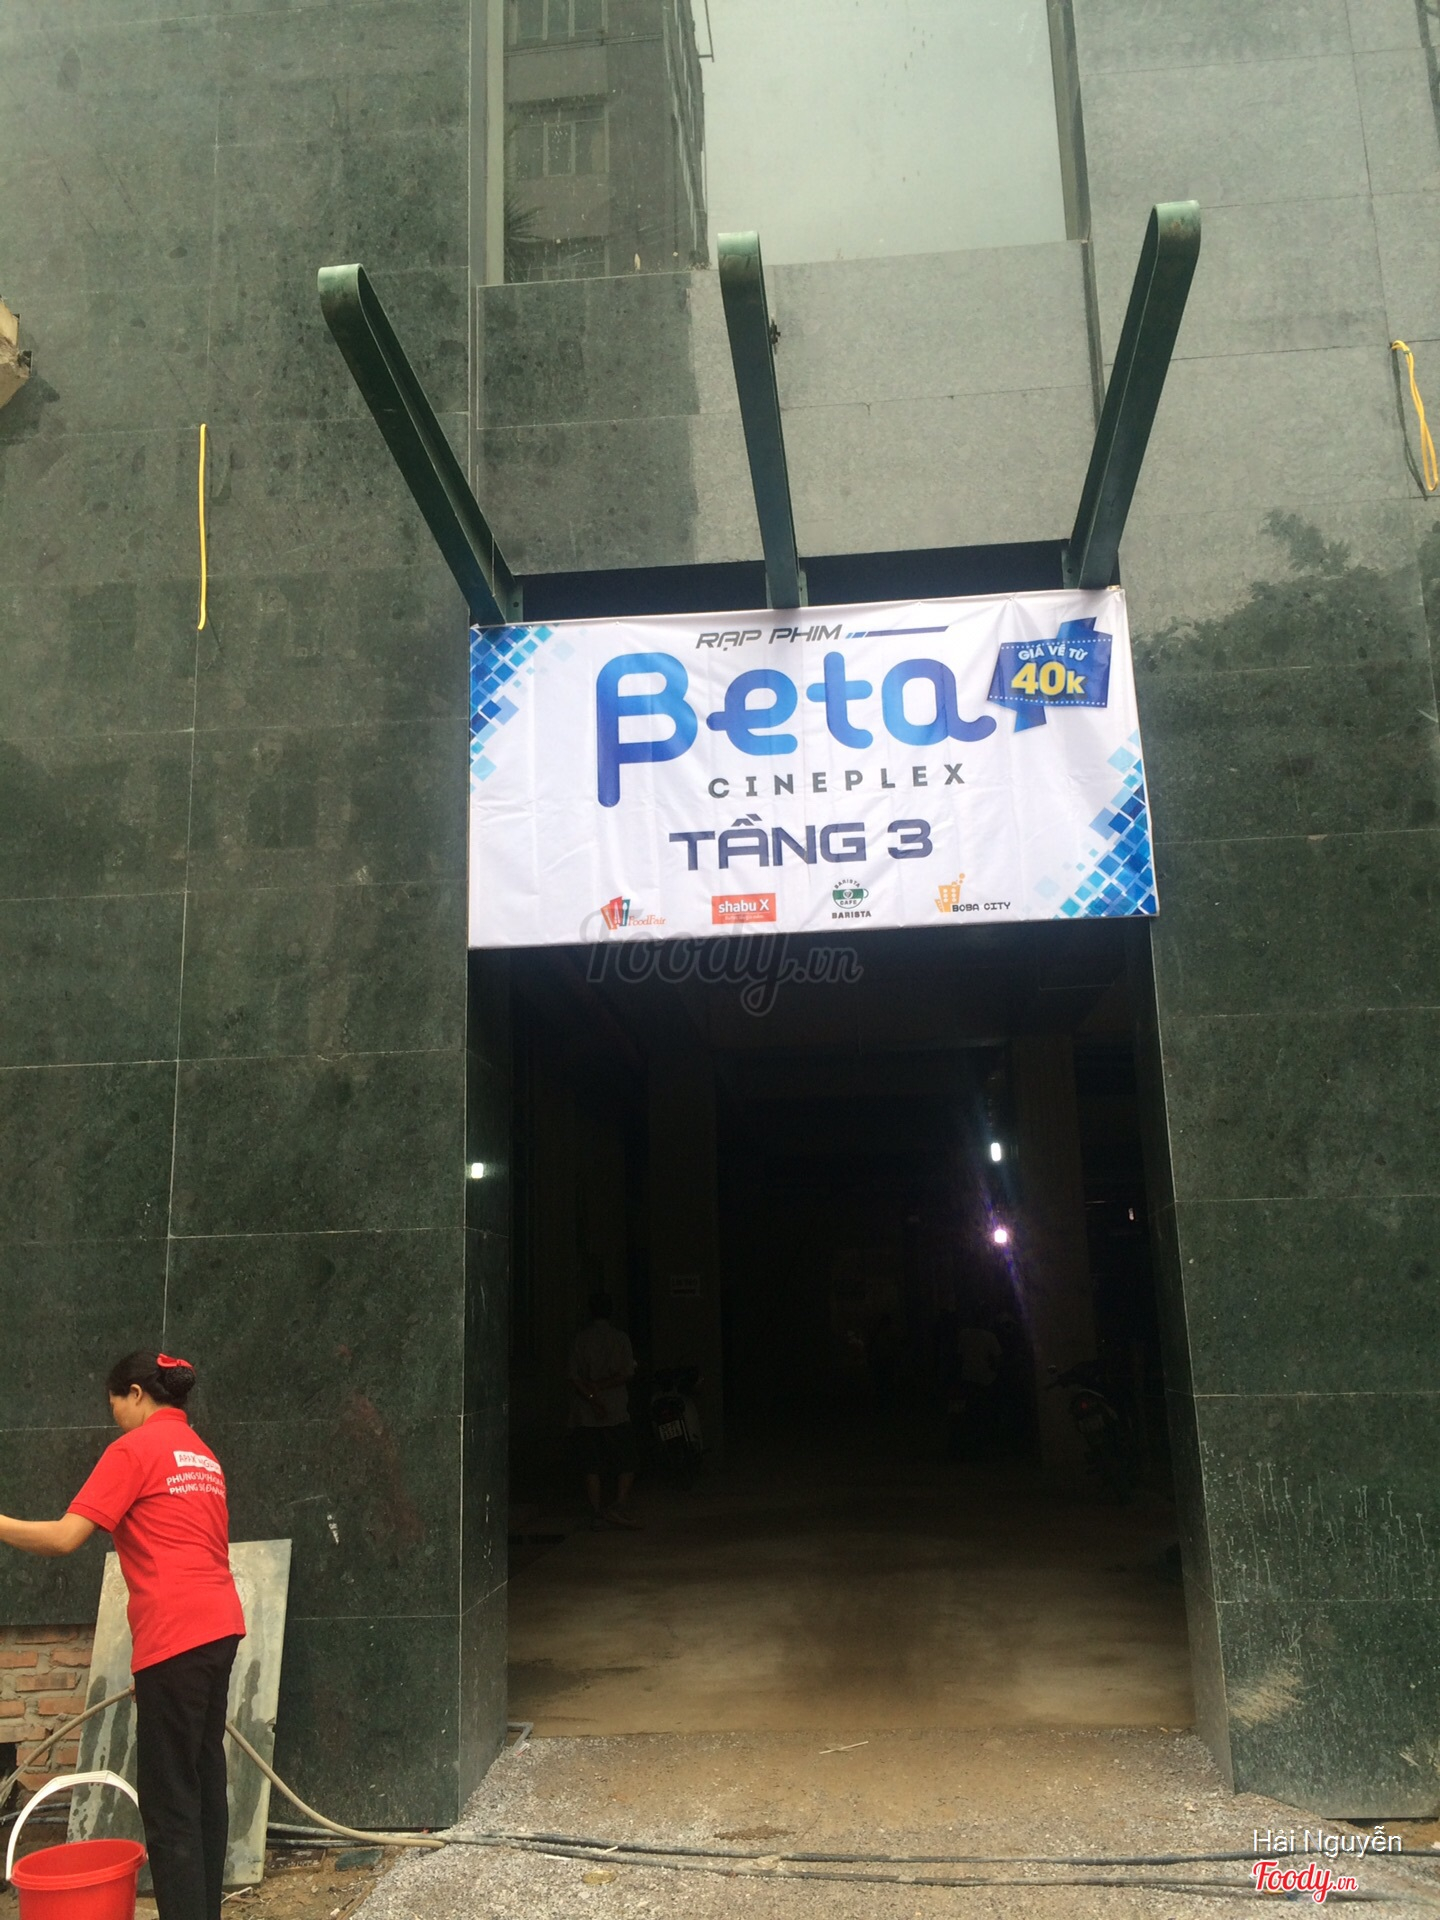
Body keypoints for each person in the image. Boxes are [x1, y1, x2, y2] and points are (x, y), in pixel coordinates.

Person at [0, 1352, 245, 1920]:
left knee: (169, 1801)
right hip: (218, 1630)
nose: (113, 1416)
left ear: (135, 1394)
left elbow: (64, 1538)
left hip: (176, 1635)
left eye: (113, 1402)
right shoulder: (202, 1454)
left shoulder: (133, 1450)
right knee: (203, 1782)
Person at [568, 1292, 641, 1529]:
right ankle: (618, 1505)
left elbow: (574, 1376)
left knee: (592, 1463)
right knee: (627, 1460)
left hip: (586, 1412)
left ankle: (596, 1511)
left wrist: (592, 1396)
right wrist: (603, 1388)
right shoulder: (620, 1338)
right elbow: (627, 1372)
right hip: (616, 1409)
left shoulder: (581, 1339)